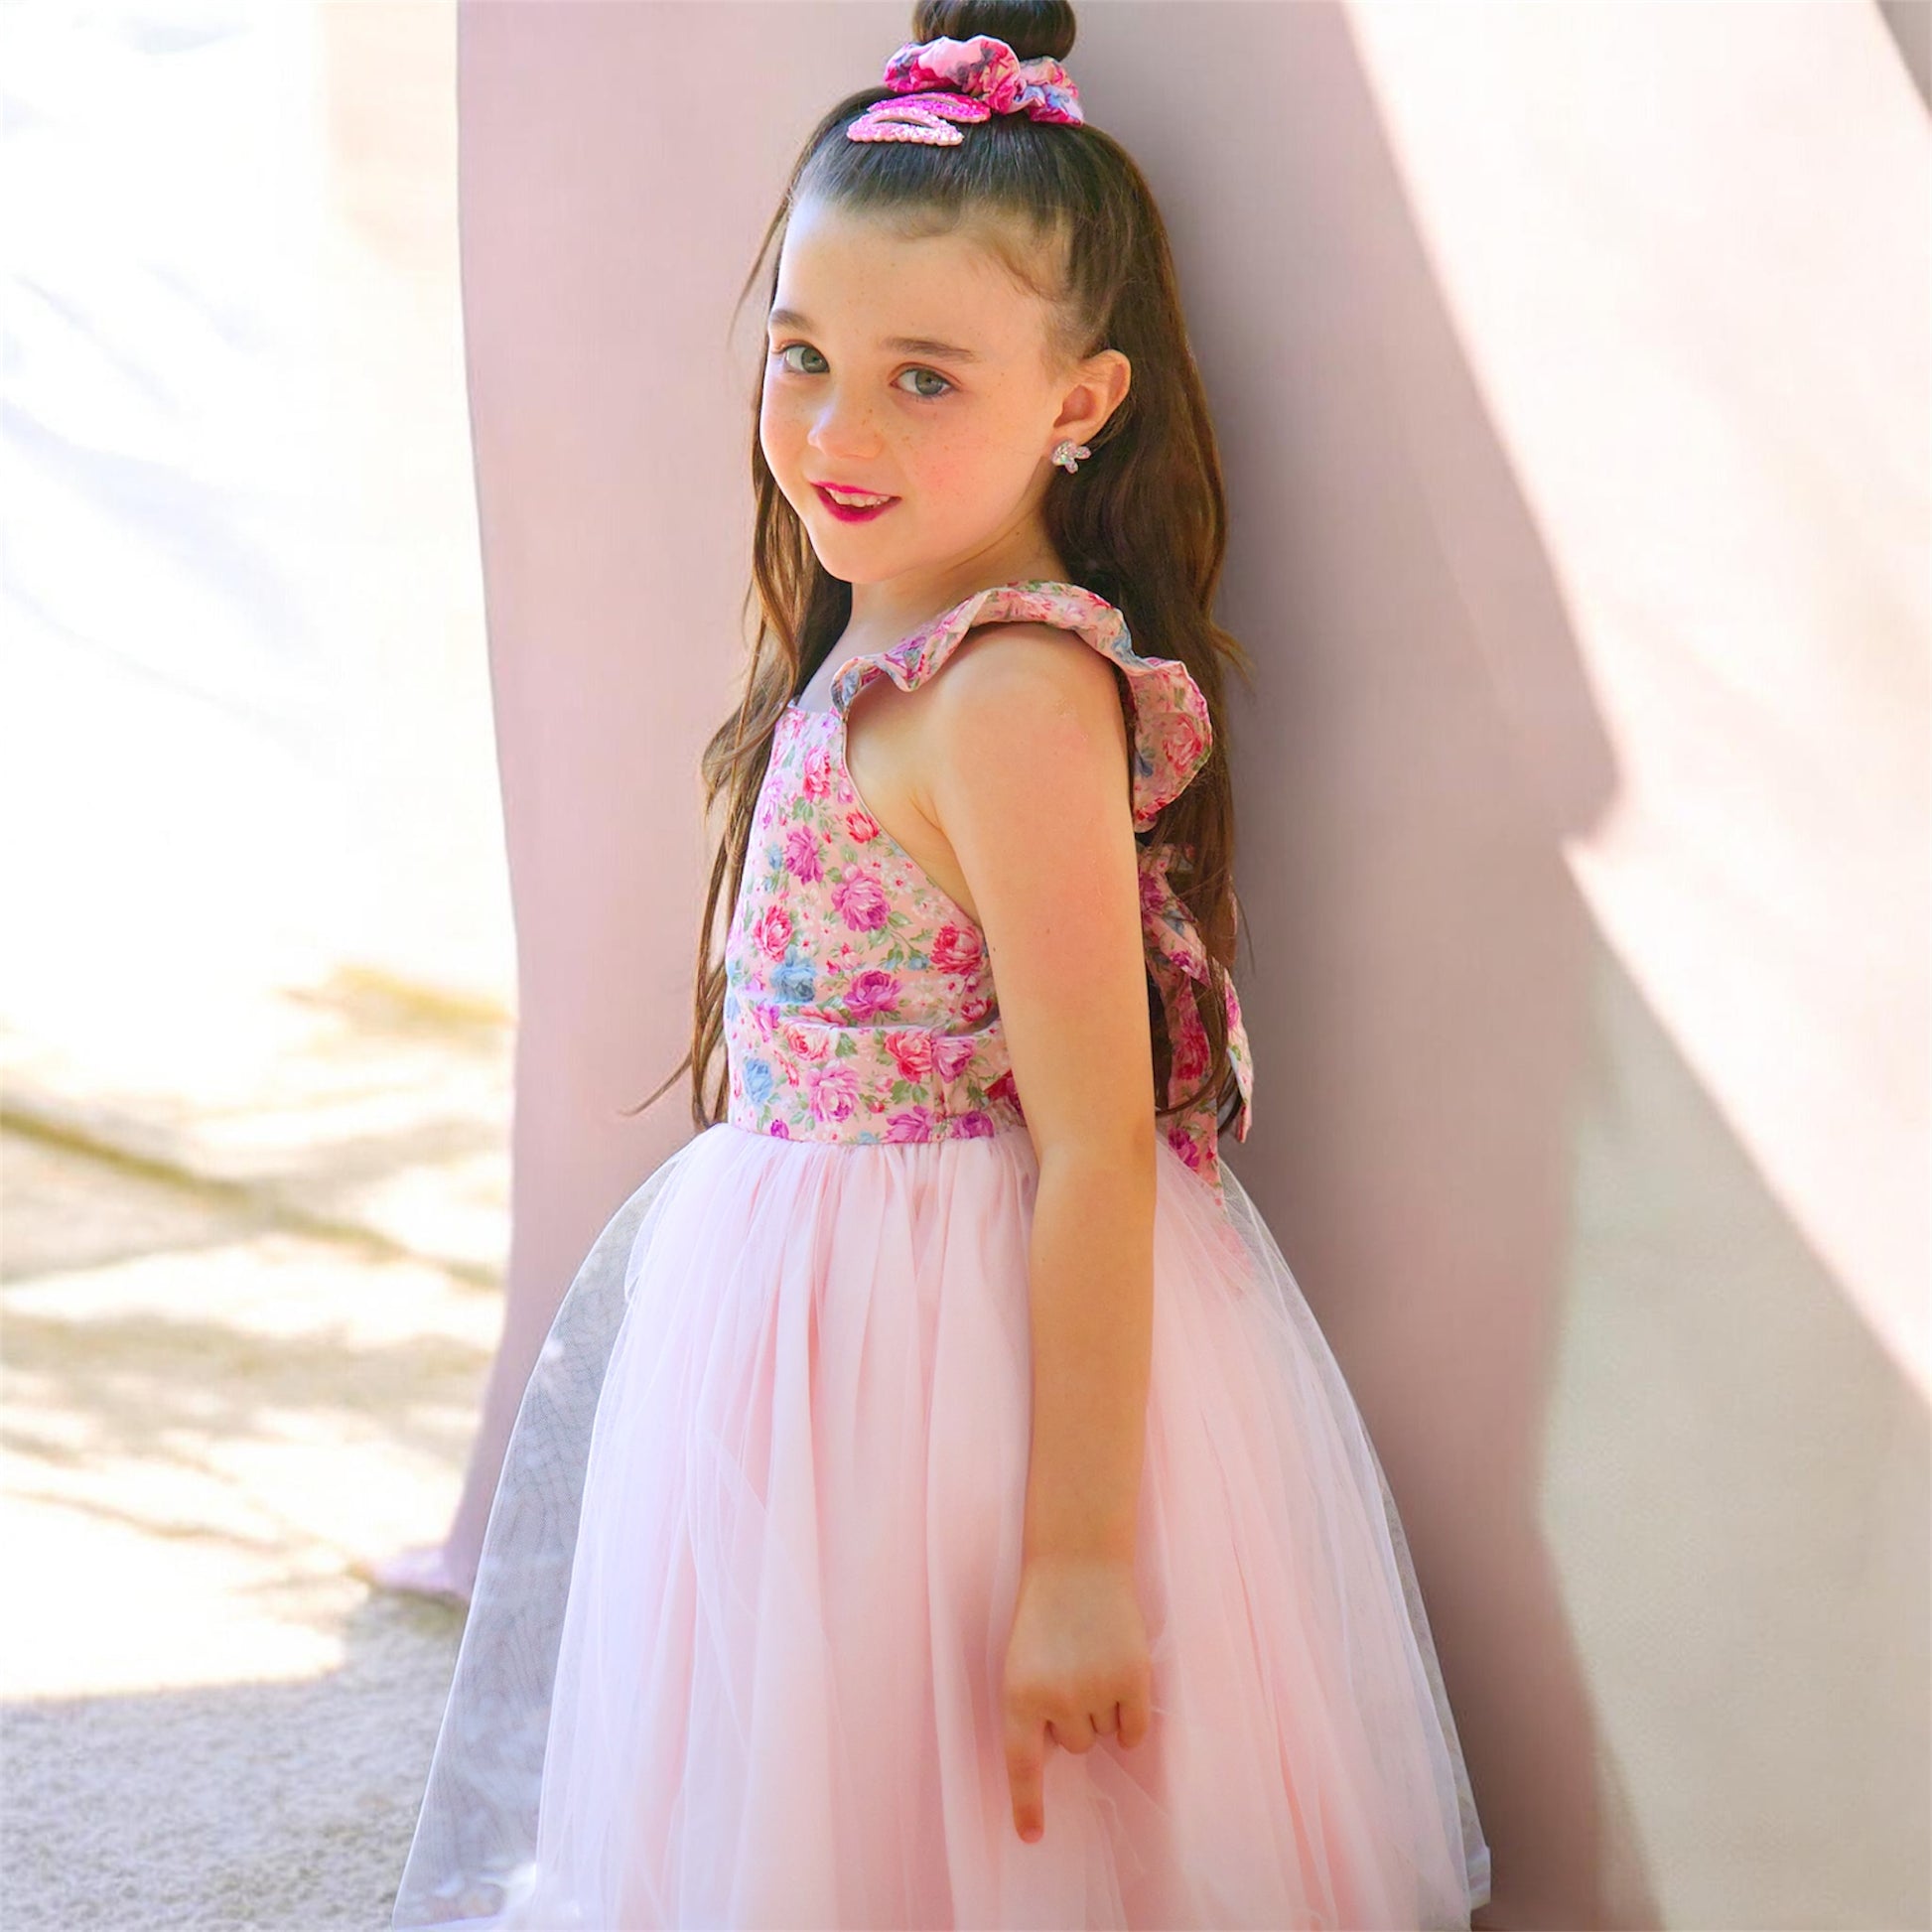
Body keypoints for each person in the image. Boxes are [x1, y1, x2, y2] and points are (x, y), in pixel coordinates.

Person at [389, 5, 1492, 1925]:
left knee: (979, 1799)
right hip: (811, 1296)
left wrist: (1074, 1563)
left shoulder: (1007, 695)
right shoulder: (880, 636)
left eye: (922, 378)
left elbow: (1098, 1137)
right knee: (816, 1772)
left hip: (954, 1334)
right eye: (803, 355)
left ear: (1080, 401)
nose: (835, 431)